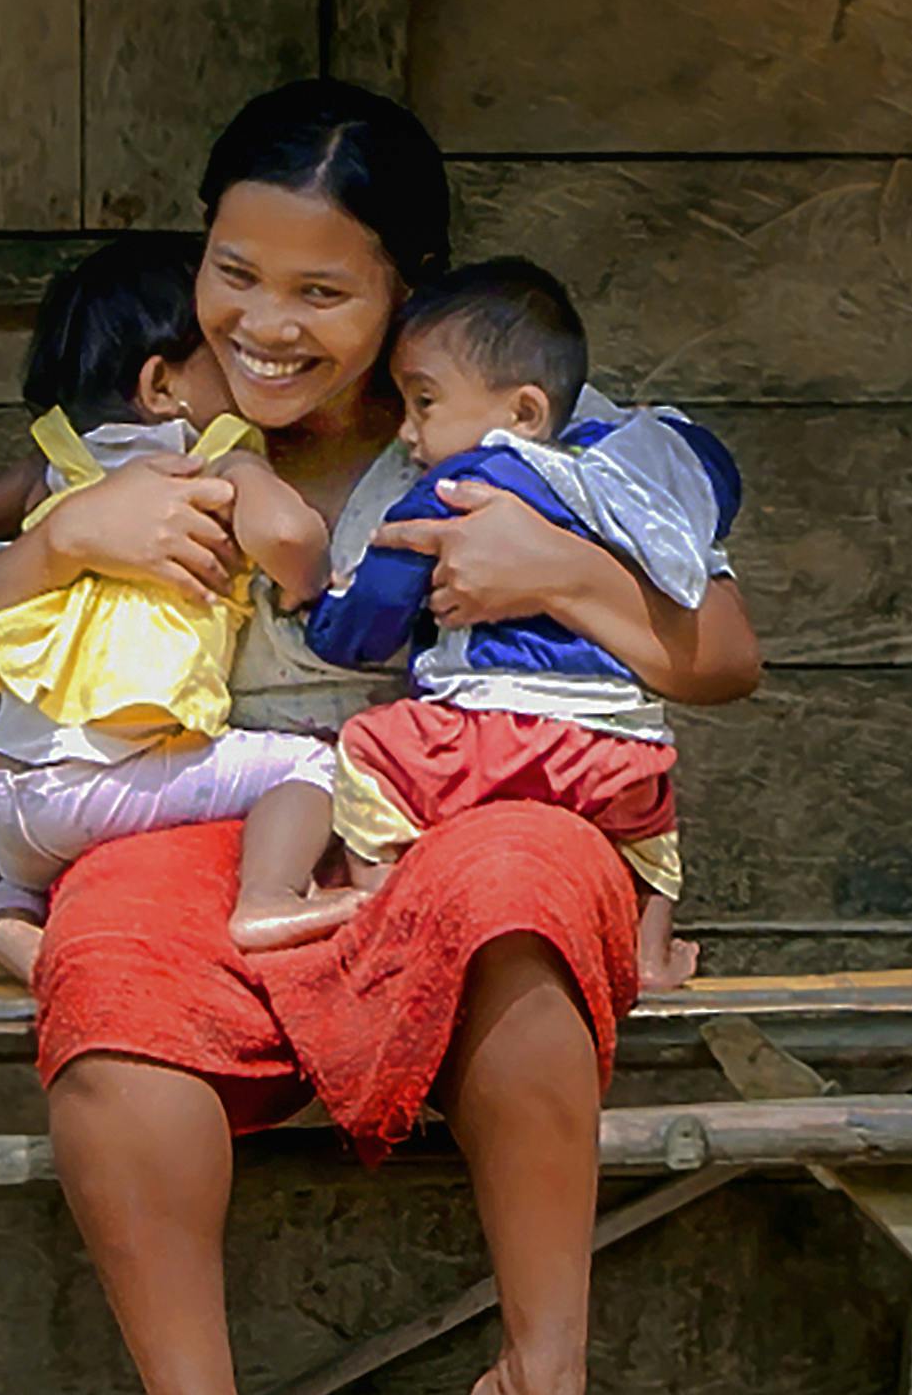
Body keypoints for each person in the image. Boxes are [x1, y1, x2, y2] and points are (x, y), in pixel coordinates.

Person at [0, 82, 762, 1395]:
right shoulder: (153, 425)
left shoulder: (531, 430)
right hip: (210, 826)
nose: (269, 321)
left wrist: (569, 570)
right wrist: (62, 542)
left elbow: (719, 656)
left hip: (455, 824)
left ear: (407, 294)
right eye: (237, 271)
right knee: (107, 955)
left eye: (326, 290)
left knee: (526, 877)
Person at [304, 257, 738, 944]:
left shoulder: (460, 484)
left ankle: (377, 904)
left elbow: (374, 607)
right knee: (650, 835)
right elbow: (710, 475)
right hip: (618, 744)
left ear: (523, 412)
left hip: (492, 739)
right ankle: (653, 953)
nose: (407, 433)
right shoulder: (621, 479)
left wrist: (324, 617)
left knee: (370, 752)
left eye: (424, 402)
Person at [0, 235, 342, 982]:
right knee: (316, 766)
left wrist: (48, 497)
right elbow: (290, 538)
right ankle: (268, 897)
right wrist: (256, 475)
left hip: (7, 798)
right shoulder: (205, 461)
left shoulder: (59, 469)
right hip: (104, 783)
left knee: (14, 879)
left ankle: (10, 925)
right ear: (163, 387)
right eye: (226, 358)